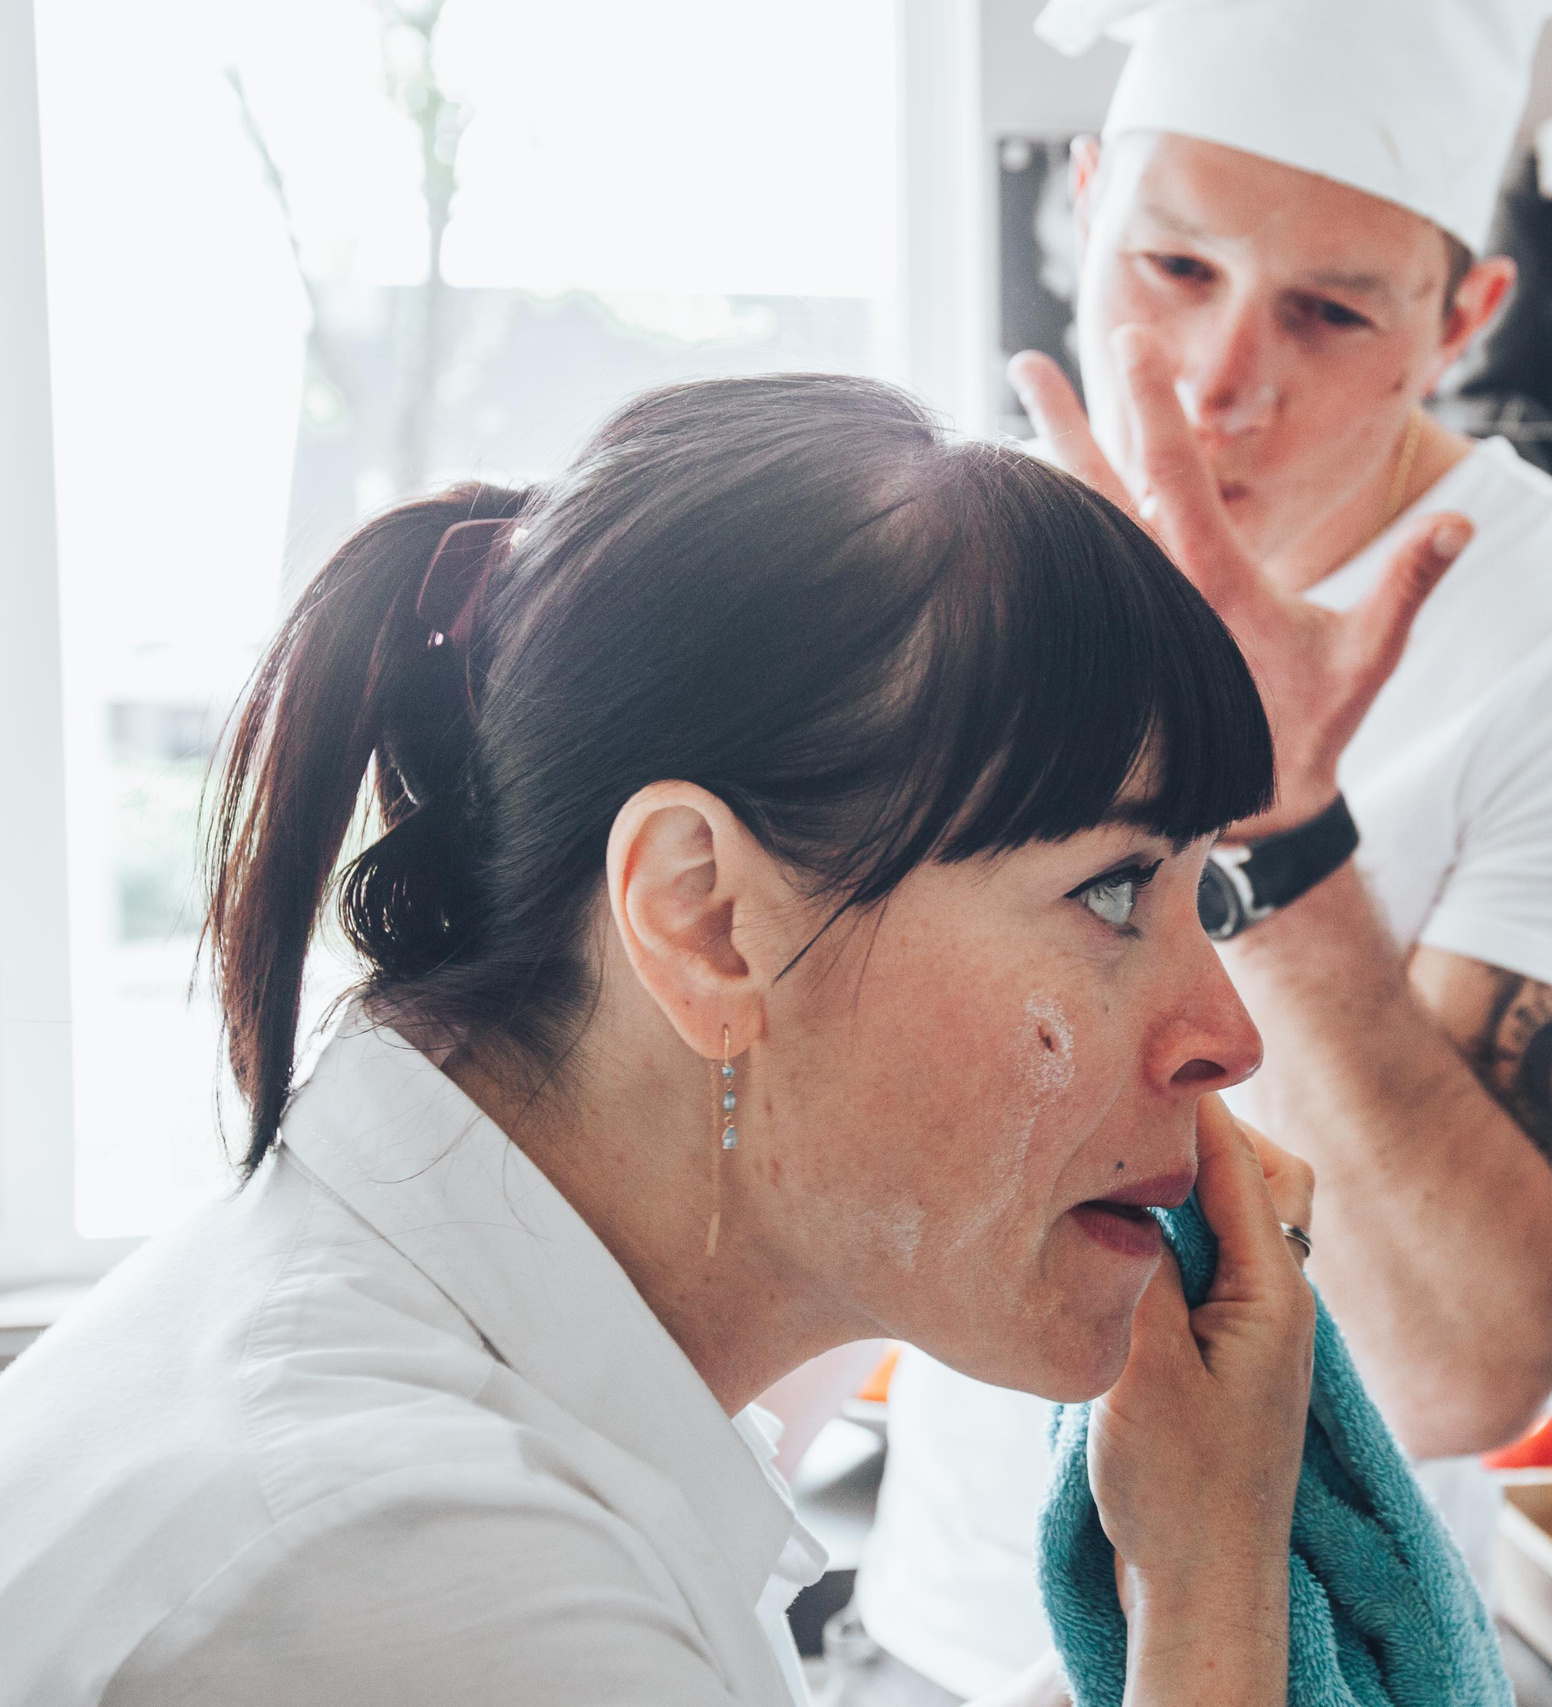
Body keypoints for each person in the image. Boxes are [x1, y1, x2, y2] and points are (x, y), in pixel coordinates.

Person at [0, 375, 1332, 1707]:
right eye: (1113, 889)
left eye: (1203, 896)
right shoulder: (411, 1573)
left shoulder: (451, 1417)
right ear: (701, 917)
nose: (1227, 1035)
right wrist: (1209, 1587)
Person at [856, 1, 1552, 1695]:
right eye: (1171, 267)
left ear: (1465, 315)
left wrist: (1282, 830)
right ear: (1083, 199)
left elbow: (1461, 1371)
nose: (1220, 376)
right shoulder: (970, 562)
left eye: (1332, 309)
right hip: (932, 1626)